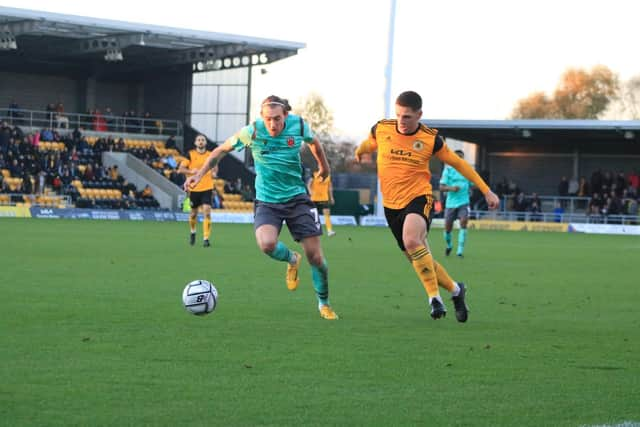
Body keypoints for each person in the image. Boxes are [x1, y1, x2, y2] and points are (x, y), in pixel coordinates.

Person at [184, 95, 338, 320]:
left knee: (315, 257)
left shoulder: (298, 125)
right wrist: (199, 174)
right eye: (268, 119)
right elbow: (220, 151)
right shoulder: (252, 131)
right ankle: (292, 259)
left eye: (277, 119)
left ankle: (324, 303)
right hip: (267, 200)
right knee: (266, 244)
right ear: (261, 118)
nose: (273, 124)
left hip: (297, 198)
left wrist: (324, 167)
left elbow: (315, 143)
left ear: (285, 114)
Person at [355, 91, 499, 321]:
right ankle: (456, 290)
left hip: (419, 198)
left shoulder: (431, 139)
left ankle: (434, 299)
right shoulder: (382, 129)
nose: (402, 121)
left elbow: (460, 164)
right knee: (419, 258)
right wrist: (360, 152)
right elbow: (368, 144)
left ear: (419, 115)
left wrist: (486, 190)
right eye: (399, 115)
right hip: (391, 206)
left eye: (408, 116)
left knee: (412, 241)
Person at [178, 134, 215, 248]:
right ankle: (193, 232)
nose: (200, 142)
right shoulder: (190, 154)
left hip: (207, 188)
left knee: (207, 211)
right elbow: (180, 170)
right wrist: (190, 172)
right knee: (193, 214)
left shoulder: (210, 155)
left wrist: (214, 172)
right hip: (193, 189)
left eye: (202, 140)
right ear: (195, 143)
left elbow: (215, 167)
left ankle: (206, 238)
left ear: (205, 142)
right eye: (198, 140)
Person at [439, 149, 472, 257]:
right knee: (448, 228)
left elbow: (474, 182)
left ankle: (460, 251)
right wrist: (452, 188)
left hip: (464, 202)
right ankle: (449, 245)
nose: (459, 159)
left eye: (461, 157)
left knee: (464, 222)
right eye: (457, 156)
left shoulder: (467, 170)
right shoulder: (448, 170)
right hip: (451, 203)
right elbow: (441, 187)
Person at [307, 168, 336, 236]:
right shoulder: (314, 174)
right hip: (314, 198)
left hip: (324, 198)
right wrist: (310, 192)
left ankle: (329, 231)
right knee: (312, 215)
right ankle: (312, 230)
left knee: (327, 214)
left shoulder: (328, 176)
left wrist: (331, 197)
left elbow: (330, 187)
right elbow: (309, 184)